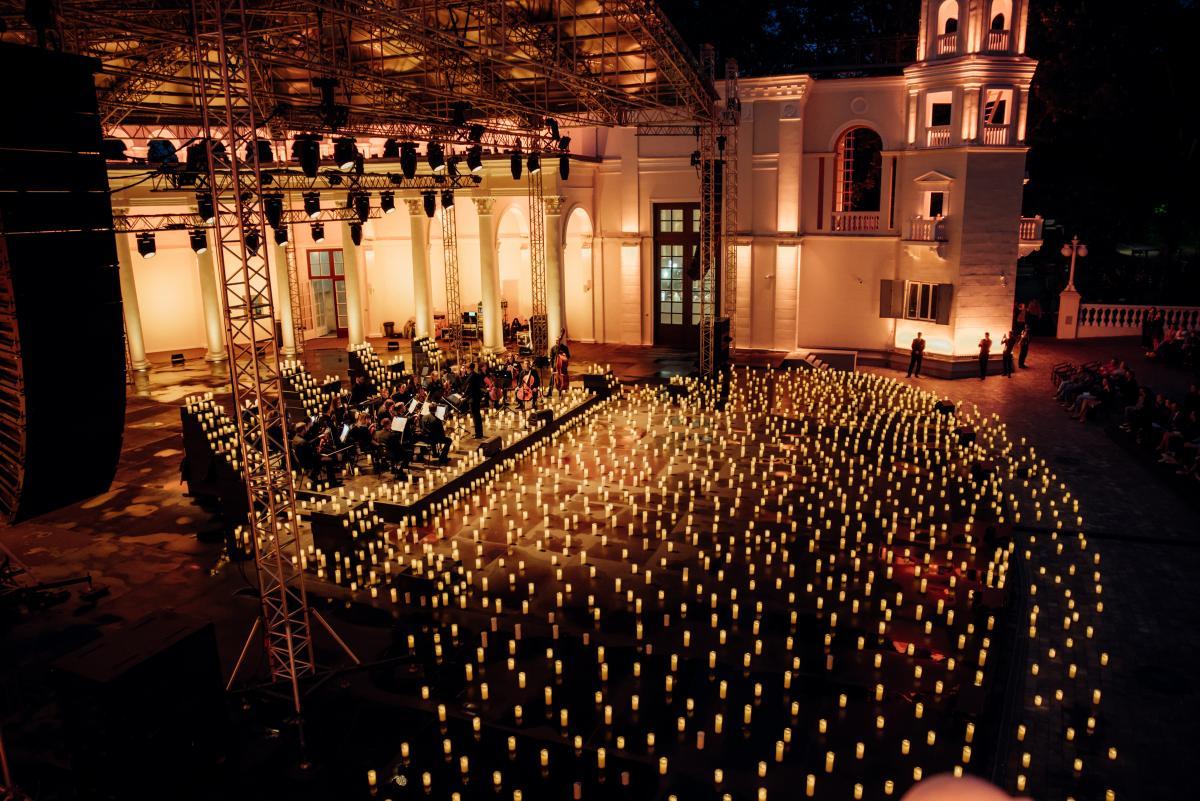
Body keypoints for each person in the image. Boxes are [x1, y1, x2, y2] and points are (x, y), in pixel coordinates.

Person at [467, 362, 485, 439]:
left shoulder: (471, 376)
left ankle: (478, 434)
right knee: (478, 416)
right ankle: (480, 433)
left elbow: (468, 388)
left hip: (473, 399)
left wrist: (464, 396)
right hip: (477, 398)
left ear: (469, 368)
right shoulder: (477, 375)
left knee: (475, 416)